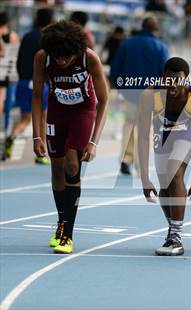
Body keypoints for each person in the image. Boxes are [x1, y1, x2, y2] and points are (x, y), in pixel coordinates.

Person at [32, 20, 108, 254]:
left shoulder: (89, 58)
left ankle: (68, 235)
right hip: (57, 113)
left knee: (72, 164)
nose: (62, 62)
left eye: (67, 58)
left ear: (76, 51)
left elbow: (104, 101)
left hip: (82, 112)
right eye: (58, 57)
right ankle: (62, 221)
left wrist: (94, 142)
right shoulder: (43, 57)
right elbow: (36, 96)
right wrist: (36, 136)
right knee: (56, 168)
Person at [138, 57, 191, 256]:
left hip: (189, 129)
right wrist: (145, 179)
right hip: (163, 132)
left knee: (174, 172)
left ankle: (176, 237)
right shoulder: (150, 95)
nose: (173, 84)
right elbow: (142, 138)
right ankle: (173, 231)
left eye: (178, 80)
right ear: (163, 77)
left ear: (186, 79)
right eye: (168, 79)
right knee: (165, 187)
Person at [111, 15, 169, 175]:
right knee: (144, 128)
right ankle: (139, 162)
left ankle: (126, 158)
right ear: (155, 30)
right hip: (150, 93)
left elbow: (116, 67)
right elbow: (167, 72)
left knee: (129, 124)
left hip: (129, 91)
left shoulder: (126, 43)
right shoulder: (160, 46)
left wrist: (120, 86)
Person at [3, 8, 53, 163]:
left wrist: (22, 78)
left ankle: (12, 135)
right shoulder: (47, 38)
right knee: (43, 118)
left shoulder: (26, 36)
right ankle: (42, 154)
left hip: (23, 82)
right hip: (39, 84)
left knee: (25, 118)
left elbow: (19, 60)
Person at [0, 11, 19, 119]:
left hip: (2, 67)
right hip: (8, 68)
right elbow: (16, 52)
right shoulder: (13, 35)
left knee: (2, 95)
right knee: (5, 96)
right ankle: (6, 123)